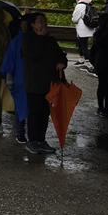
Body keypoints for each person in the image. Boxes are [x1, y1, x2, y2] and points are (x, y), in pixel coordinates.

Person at [21, 13, 66, 154]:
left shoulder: (50, 40)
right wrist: (40, 37)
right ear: (33, 25)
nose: (43, 24)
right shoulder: (28, 39)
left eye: (44, 21)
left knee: (44, 113)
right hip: (34, 83)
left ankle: (41, 140)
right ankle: (33, 141)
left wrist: (62, 63)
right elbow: (33, 55)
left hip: (49, 83)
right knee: (34, 113)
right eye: (40, 22)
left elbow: (60, 55)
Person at [0, 19, 29, 145]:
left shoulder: (16, 41)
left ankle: (21, 132)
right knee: (26, 105)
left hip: (20, 78)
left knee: (21, 105)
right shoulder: (20, 41)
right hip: (24, 78)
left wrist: (6, 75)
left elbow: (9, 62)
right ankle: (22, 132)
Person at [71, 0, 96, 65]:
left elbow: (75, 19)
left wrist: (72, 18)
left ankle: (89, 63)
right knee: (81, 44)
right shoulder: (89, 4)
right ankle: (81, 59)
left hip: (82, 29)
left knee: (83, 45)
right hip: (88, 28)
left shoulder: (80, 5)